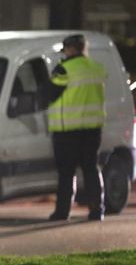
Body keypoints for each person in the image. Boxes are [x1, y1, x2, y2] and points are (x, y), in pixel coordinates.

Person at [46, 34, 107, 221]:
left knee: (66, 172)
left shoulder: (64, 70)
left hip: (67, 130)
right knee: (91, 169)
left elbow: (49, 93)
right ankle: (97, 209)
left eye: (65, 50)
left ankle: (63, 211)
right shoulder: (97, 69)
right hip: (92, 129)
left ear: (71, 49)